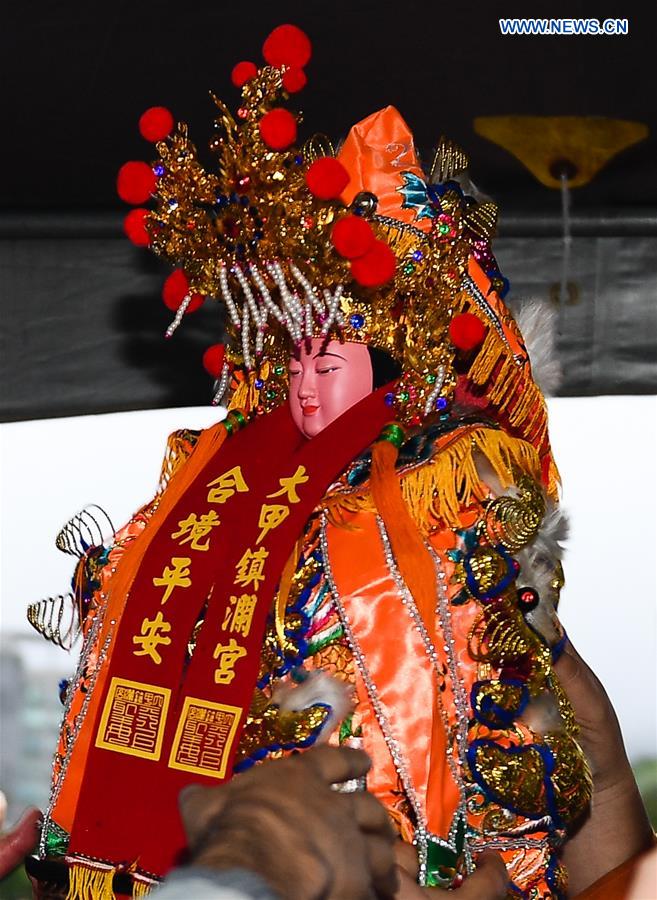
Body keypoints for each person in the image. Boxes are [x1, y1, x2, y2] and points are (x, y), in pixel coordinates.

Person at [27, 22, 613, 899]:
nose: (304, 382)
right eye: (290, 358)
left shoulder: (437, 488)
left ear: (389, 361)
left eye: (329, 359)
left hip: (383, 842)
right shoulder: (211, 485)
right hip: (232, 825)